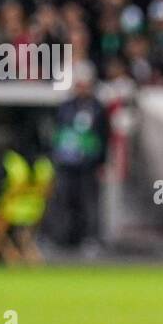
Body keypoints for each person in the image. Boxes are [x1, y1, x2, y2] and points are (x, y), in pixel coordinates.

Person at [50, 76, 109, 252]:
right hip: (67, 163)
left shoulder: (97, 108)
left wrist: (101, 161)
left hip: (88, 164)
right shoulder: (66, 107)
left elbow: (104, 136)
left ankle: (91, 238)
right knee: (64, 201)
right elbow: (59, 132)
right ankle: (63, 238)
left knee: (90, 203)